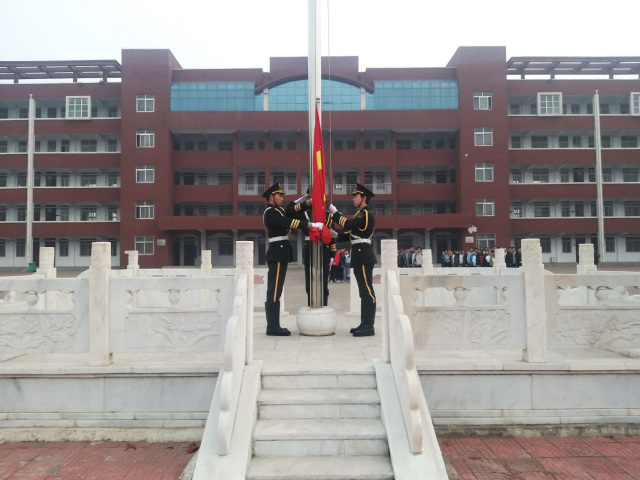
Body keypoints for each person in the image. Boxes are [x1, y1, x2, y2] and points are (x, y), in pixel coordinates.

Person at [262, 182, 324, 336]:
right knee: (274, 290)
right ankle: (272, 326)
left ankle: (273, 325)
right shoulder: (270, 212)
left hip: (280, 253)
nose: (282, 198)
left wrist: (307, 202)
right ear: (271, 197)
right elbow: (289, 222)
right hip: (276, 253)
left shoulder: (279, 210)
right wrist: (311, 225)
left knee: (276, 290)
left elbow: (291, 210)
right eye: (279, 195)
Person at [329, 183, 377, 337]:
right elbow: (351, 234)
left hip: (363, 254)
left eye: (355, 196)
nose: (353, 199)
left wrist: (336, 213)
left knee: (367, 291)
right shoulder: (360, 214)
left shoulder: (366, 213)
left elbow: (348, 224)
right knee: (363, 292)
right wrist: (336, 235)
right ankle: (364, 324)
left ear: (364, 198)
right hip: (360, 254)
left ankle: (368, 326)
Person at [288, 190, 335, 307]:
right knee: (310, 281)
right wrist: (300, 201)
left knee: (324, 282)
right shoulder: (303, 213)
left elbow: (332, 237)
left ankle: (324, 307)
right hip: (309, 248)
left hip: (324, 249)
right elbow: (288, 211)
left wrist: (332, 254)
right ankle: (311, 306)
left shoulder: (328, 216)